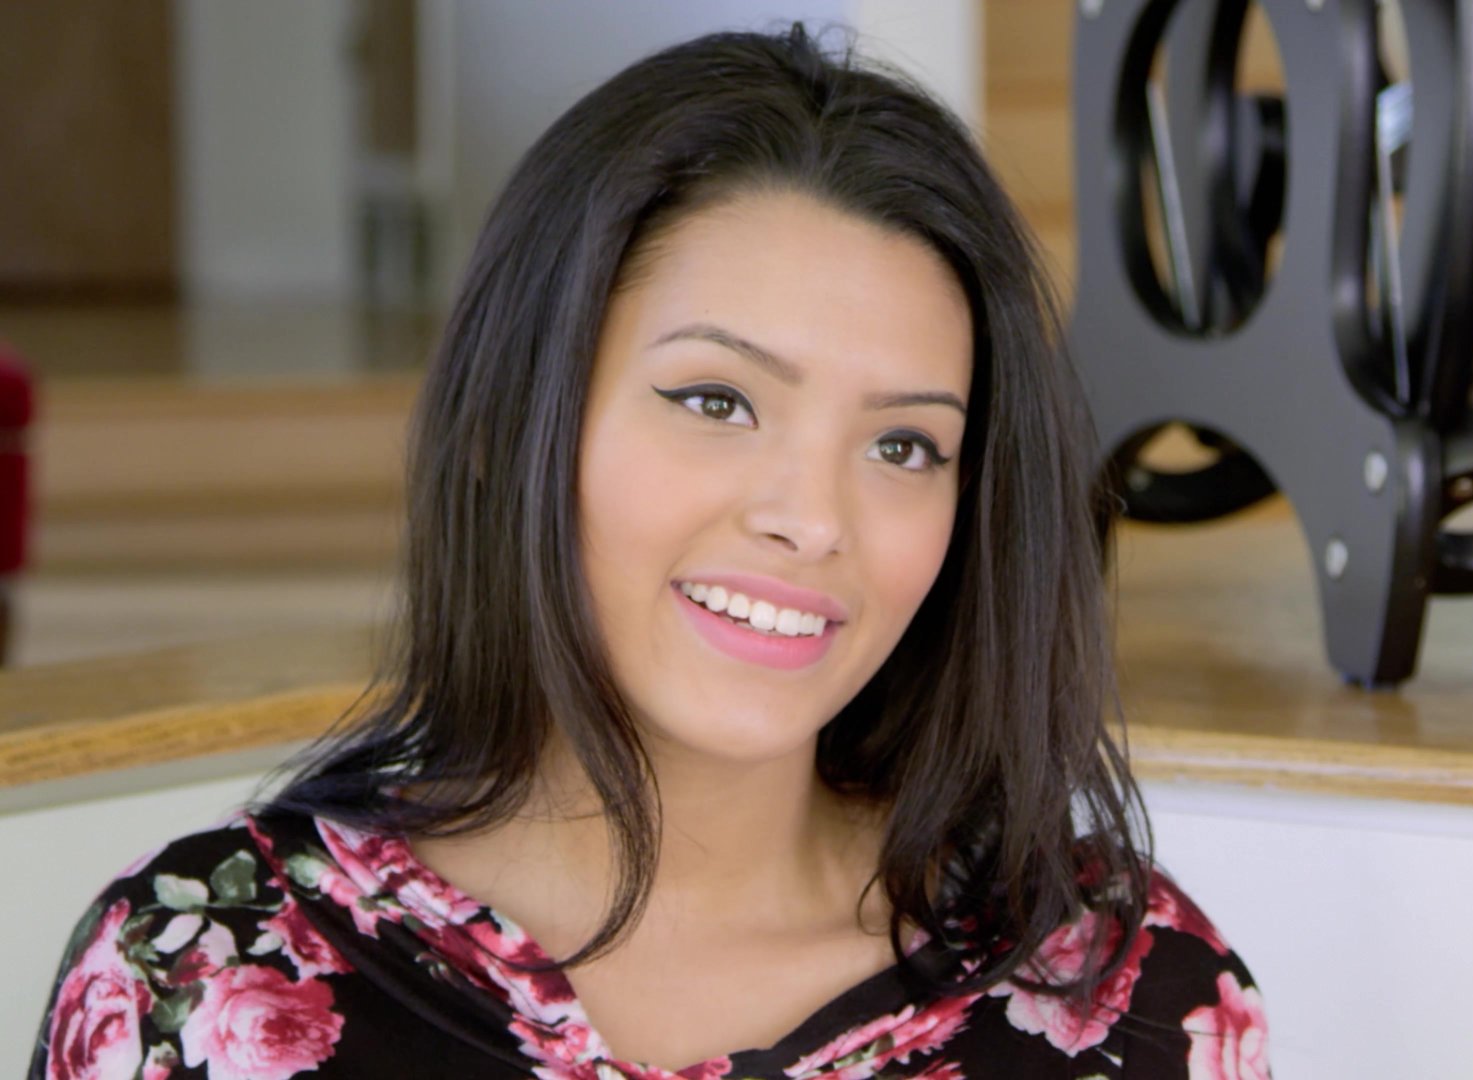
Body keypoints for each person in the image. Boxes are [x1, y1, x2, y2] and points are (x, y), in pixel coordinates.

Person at [27, 24, 1271, 1080]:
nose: (813, 517)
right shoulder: (194, 979)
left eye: (904, 446)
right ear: (510, 424)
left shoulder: (1132, 999)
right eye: (717, 400)